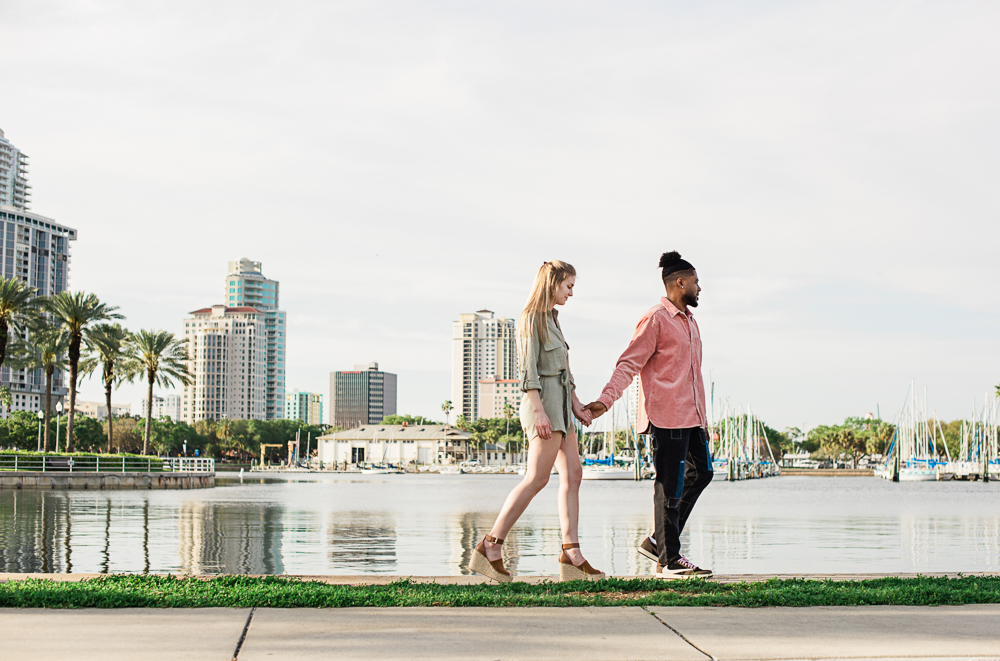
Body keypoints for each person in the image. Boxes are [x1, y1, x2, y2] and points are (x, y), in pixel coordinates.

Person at [469, 260, 604, 582]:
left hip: (560, 406)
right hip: (541, 404)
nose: (571, 293)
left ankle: (572, 552)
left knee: (574, 474)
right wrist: (540, 410)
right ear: (552, 283)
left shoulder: (553, 320)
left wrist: (576, 406)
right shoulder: (530, 319)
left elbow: (564, 373)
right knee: (536, 478)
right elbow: (527, 371)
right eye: (568, 286)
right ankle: (491, 544)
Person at [584, 251, 714, 579]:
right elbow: (629, 363)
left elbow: (694, 376)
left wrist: (704, 420)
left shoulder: (690, 322)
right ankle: (669, 560)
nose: (700, 288)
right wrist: (606, 399)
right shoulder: (656, 318)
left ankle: (659, 542)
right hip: (665, 415)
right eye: (696, 282)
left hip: (692, 417)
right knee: (669, 487)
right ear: (680, 282)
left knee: (704, 473)